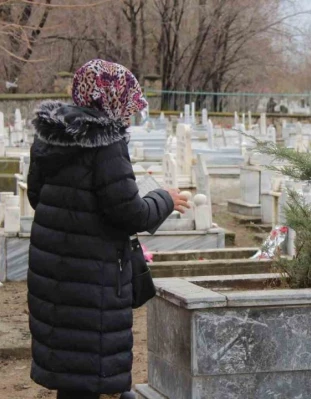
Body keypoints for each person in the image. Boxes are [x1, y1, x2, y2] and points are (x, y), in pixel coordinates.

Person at [27, 59, 189, 399]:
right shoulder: (106, 144)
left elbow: (37, 197)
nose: (129, 113)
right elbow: (130, 214)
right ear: (111, 97)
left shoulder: (49, 139)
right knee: (88, 365)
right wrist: (166, 199)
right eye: (128, 103)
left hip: (54, 271)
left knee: (73, 370)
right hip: (92, 277)